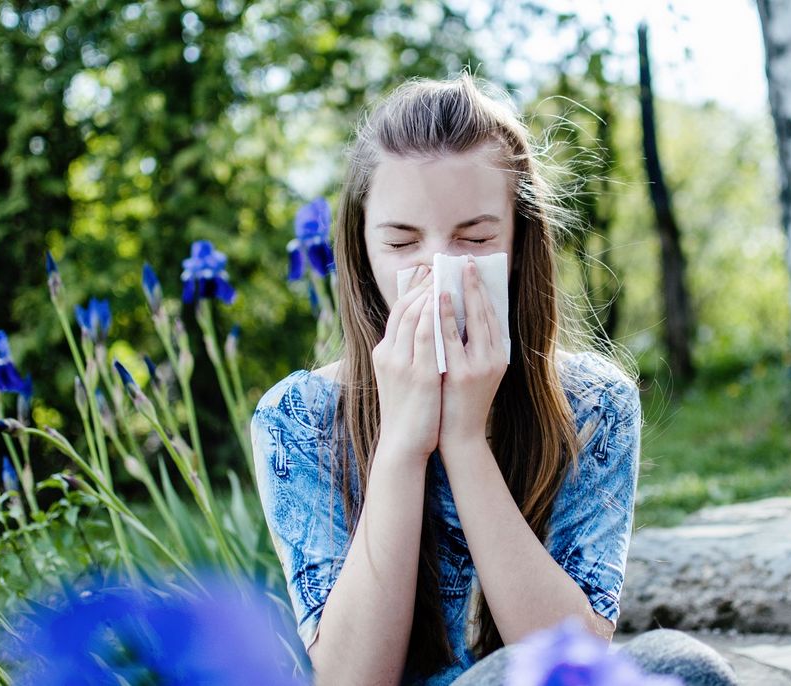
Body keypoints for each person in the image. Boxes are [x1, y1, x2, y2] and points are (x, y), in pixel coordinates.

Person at [250, 73, 738, 686]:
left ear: (519, 241)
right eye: (401, 242)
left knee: (683, 665)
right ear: (362, 249)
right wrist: (402, 444)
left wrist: (464, 439)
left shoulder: (594, 404)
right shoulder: (299, 417)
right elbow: (352, 679)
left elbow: (574, 660)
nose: (439, 270)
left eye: (475, 238)